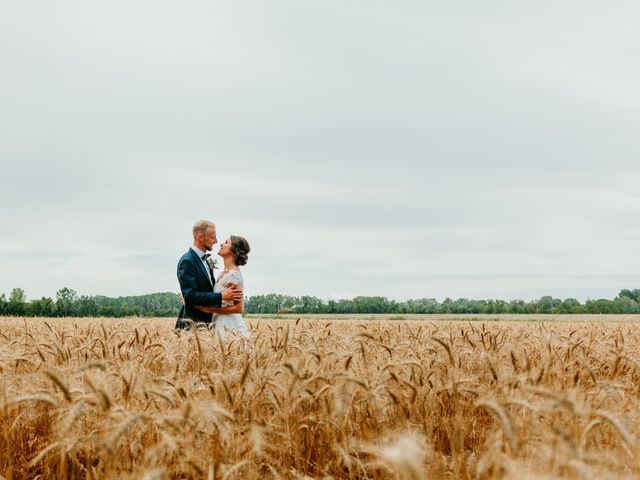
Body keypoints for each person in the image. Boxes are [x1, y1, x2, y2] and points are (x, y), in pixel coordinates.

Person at [175, 221, 243, 330]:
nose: (216, 241)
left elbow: (200, 292)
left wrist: (190, 300)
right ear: (201, 237)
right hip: (194, 324)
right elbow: (191, 295)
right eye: (213, 237)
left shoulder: (208, 260)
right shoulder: (187, 261)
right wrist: (222, 296)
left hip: (210, 324)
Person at [196, 235, 251, 339]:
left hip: (228, 324)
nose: (221, 244)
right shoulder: (223, 272)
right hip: (217, 320)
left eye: (226, 242)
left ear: (233, 251)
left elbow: (239, 308)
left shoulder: (233, 275)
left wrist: (210, 310)